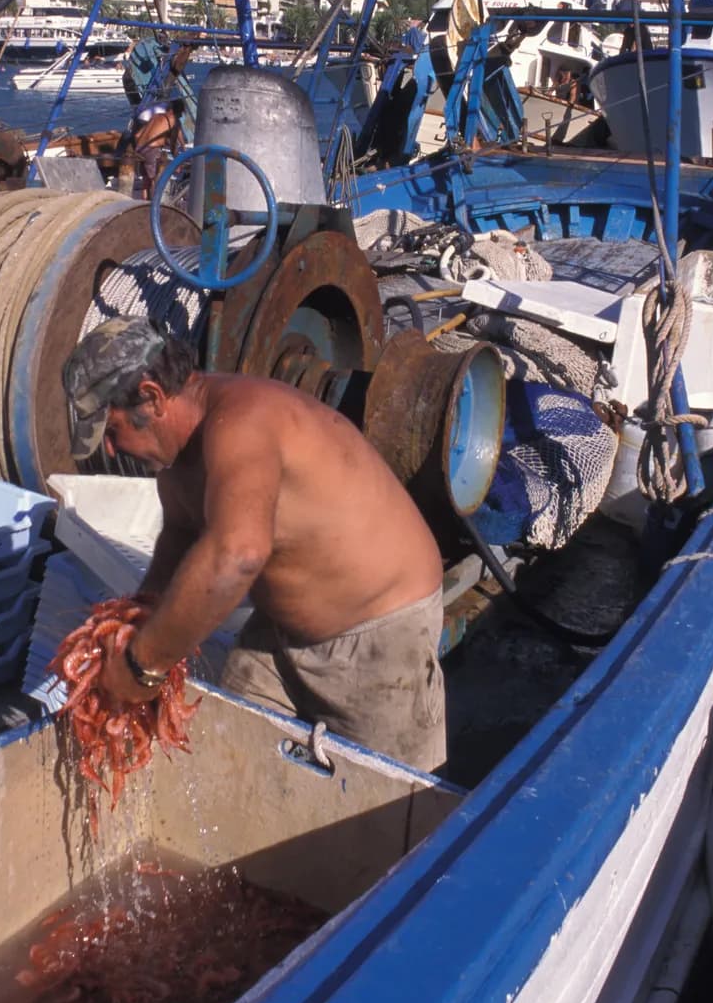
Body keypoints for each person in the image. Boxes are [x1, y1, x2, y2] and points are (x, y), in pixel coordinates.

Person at [62, 319, 446, 771]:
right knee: (230, 763)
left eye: (112, 430)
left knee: (385, 815)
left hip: (379, 638)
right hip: (280, 636)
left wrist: (142, 665)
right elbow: (180, 539)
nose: (110, 448)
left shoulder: (241, 425)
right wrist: (136, 618)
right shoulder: (179, 461)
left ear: (152, 397)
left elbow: (238, 556)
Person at [130, 95, 184, 200]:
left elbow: (137, 135)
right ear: (179, 111)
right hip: (151, 150)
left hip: (139, 149)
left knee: (146, 180)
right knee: (156, 179)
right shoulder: (172, 120)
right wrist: (178, 163)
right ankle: (154, 205)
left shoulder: (156, 116)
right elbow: (173, 144)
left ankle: (144, 203)